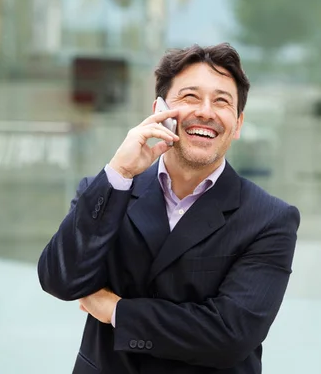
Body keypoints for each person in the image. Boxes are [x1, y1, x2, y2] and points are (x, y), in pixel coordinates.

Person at [38, 43, 300, 374]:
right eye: (190, 97)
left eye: (222, 101)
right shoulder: (108, 189)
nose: (206, 111)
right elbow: (61, 280)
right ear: (159, 109)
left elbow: (231, 335)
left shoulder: (269, 219)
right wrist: (119, 172)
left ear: (238, 123)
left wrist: (116, 310)